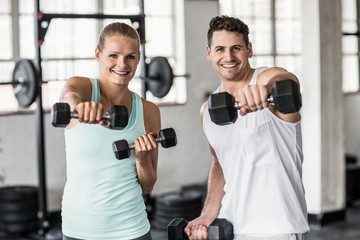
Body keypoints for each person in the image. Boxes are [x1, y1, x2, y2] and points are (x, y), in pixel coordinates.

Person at [184, 15, 310, 240]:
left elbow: (287, 80)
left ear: (249, 49)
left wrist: (265, 89)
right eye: (220, 49)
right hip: (232, 226)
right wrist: (208, 213)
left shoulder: (267, 79)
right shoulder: (207, 110)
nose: (228, 57)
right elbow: (220, 162)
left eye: (236, 48)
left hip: (278, 228)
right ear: (209, 53)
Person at [59, 22, 160, 240]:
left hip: (132, 229)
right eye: (113, 55)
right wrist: (78, 107)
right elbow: (69, 94)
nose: (122, 64)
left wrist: (142, 160)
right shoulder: (83, 89)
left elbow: (148, 186)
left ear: (139, 59)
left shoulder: (149, 111)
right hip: (78, 230)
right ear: (98, 54)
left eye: (130, 57)